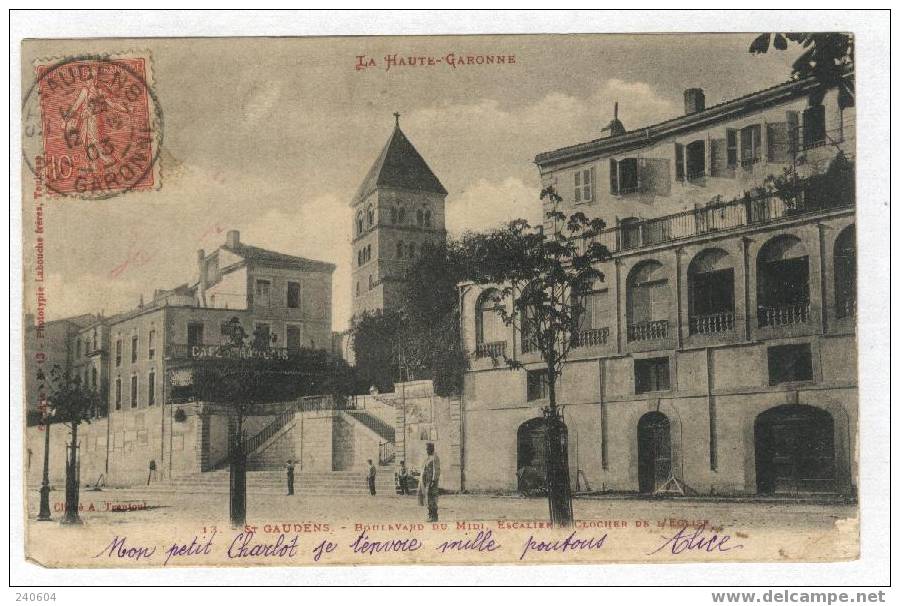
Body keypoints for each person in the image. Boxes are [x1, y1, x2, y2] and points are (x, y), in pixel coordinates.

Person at [419, 443, 441, 522]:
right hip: (426, 481)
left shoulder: (435, 458)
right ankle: (430, 515)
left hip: (431, 482)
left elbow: (436, 470)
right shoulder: (428, 458)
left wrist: (434, 480)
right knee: (428, 498)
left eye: (427, 449)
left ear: (431, 449)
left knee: (432, 498)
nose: (426, 450)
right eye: (426, 449)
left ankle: (434, 516)